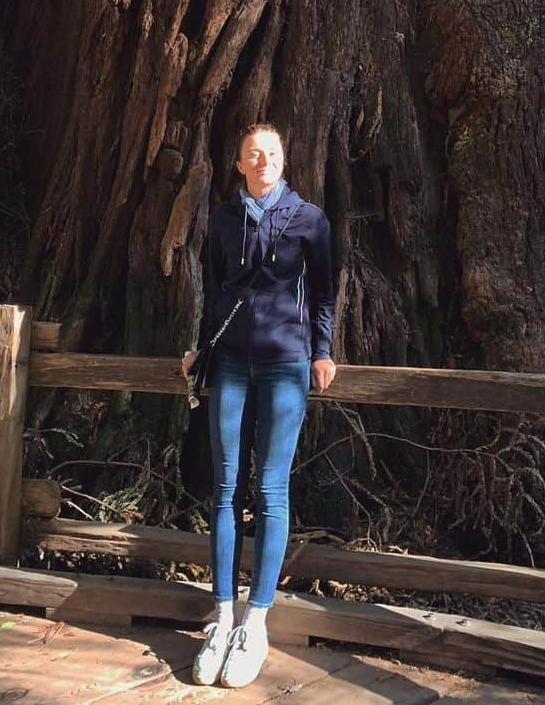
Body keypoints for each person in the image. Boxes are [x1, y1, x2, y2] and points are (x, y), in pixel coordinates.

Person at [181, 123, 336, 689]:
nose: (263, 160)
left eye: (271, 153)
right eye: (253, 154)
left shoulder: (309, 219)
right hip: (229, 367)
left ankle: (256, 621)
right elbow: (216, 288)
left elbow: (324, 291)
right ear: (239, 163)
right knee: (225, 488)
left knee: (271, 489)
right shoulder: (223, 220)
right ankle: (220, 617)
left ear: (282, 161)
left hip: (285, 365)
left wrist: (322, 351)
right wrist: (202, 350)